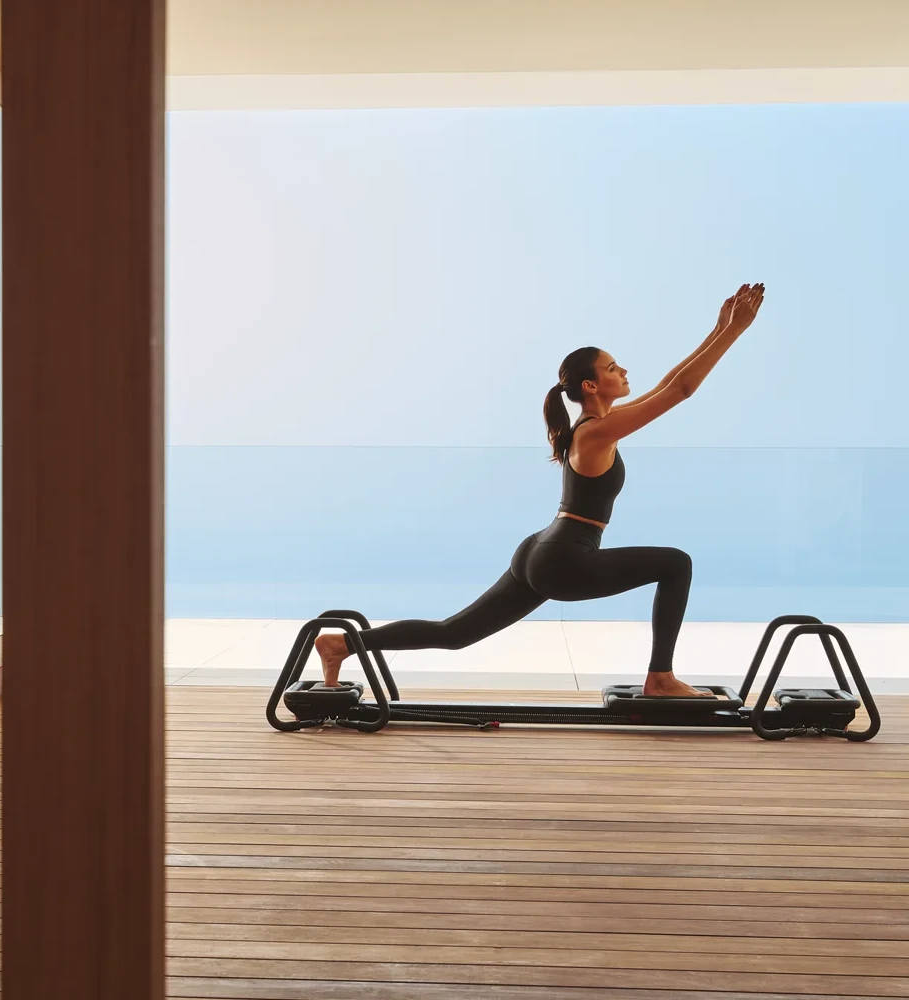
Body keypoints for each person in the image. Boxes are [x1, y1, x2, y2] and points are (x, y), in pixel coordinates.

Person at [316, 282, 766, 699]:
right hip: (564, 559)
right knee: (676, 564)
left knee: (453, 633)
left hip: (541, 551)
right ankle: (661, 678)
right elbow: (681, 391)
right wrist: (737, 333)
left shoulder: (593, 428)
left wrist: (719, 328)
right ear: (591, 385)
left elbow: (670, 385)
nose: (624, 370)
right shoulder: (595, 434)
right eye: (613, 367)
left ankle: (341, 645)